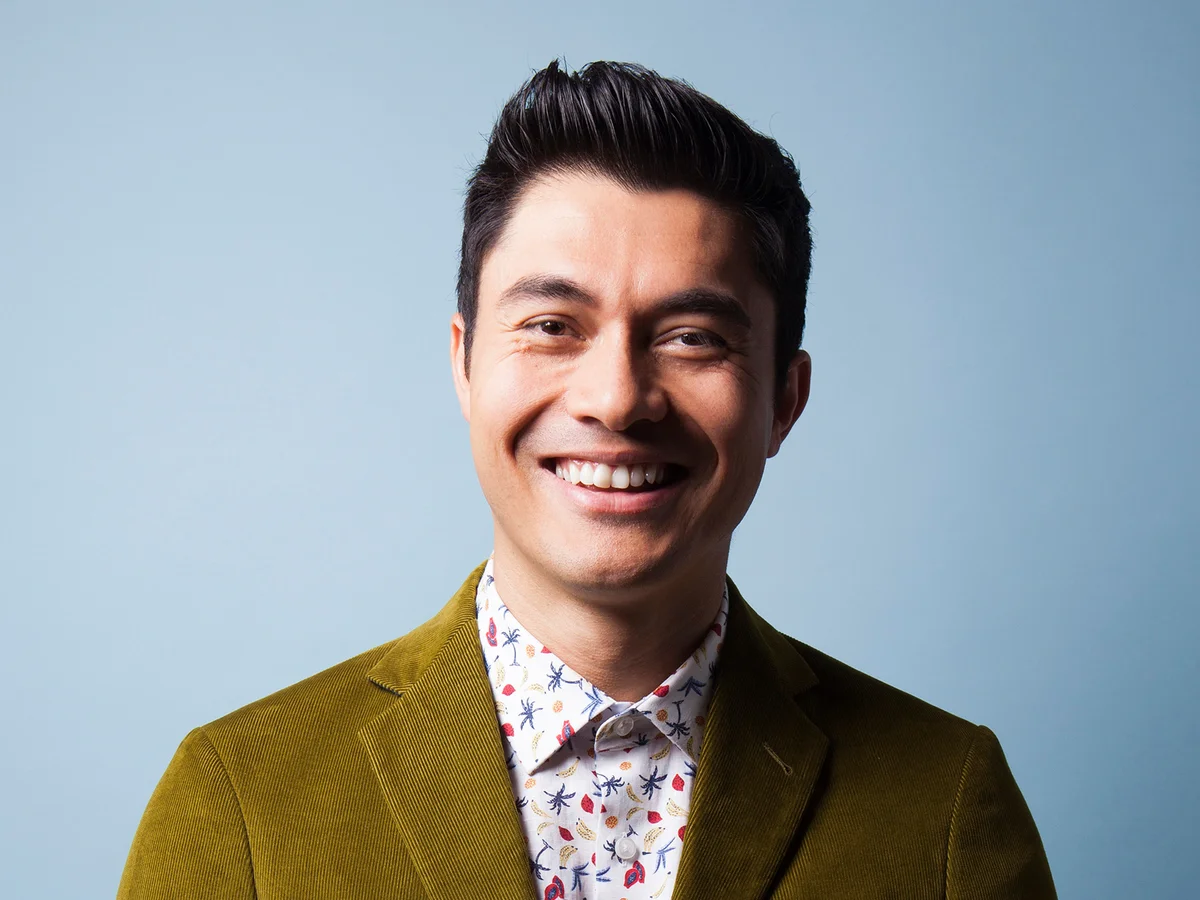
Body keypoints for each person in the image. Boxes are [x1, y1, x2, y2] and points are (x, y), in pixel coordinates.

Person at [118, 60, 1056, 899]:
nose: (615, 399)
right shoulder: (238, 802)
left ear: (783, 400)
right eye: (551, 326)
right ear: (465, 364)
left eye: (692, 338)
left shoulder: (943, 807)